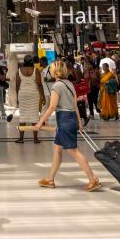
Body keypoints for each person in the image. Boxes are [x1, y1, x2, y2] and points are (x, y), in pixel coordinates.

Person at [33, 60, 101, 191]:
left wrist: (40, 122)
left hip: (64, 120)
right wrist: (79, 122)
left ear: (54, 72)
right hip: (70, 119)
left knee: (73, 151)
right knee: (57, 149)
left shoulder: (56, 86)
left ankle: (92, 179)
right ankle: (50, 179)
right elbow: (75, 105)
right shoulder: (69, 84)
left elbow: (52, 106)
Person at [15, 54, 44, 144]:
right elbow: (39, 84)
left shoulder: (19, 71)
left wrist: (17, 97)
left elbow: (17, 85)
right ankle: (35, 139)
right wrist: (42, 95)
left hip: (23, 94)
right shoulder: (36, 70)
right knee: (34, 116)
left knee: (22, 116)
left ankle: (21, 138)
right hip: (33, 94)